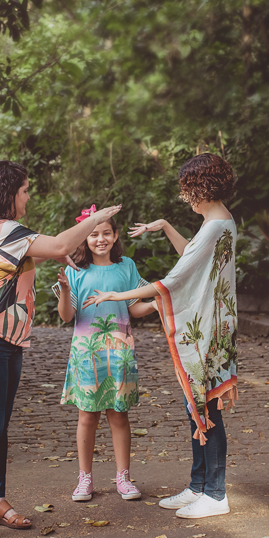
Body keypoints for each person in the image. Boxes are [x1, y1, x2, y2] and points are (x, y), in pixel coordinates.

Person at [0, 160, 122, 538]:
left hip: (5, 339)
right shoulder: (0, 228)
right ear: (9, 193)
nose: (28, 196)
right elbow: (59, 244)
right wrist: (97, 221)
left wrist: (61, 253)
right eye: (25, 190)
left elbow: (40, 254)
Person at [84, 153, 238, 520]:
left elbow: (175, 280)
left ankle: (215, 494)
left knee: (208, 408)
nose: (187, 197)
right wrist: (166, 225)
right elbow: (191, 255)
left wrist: (115, 295)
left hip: (209, 332)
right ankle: (199, 485)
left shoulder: (217, 226)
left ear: (201, 187)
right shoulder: (220, 221)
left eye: (188, 191)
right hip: (214, 325)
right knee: (197, 404)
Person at [56, 205, 158, 502]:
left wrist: (153, 305)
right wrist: (64, 290)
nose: (100, 239)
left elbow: (134, 307)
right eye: (93, 234)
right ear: (85, 238)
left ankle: (123, 478)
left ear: (115, 236)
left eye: (106, 233)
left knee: (119, 415)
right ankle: (84, 478)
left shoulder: (126, 266)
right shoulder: (74, 270)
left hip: (120, 353)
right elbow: (66, 316)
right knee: (87, 416)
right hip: (87, 353)